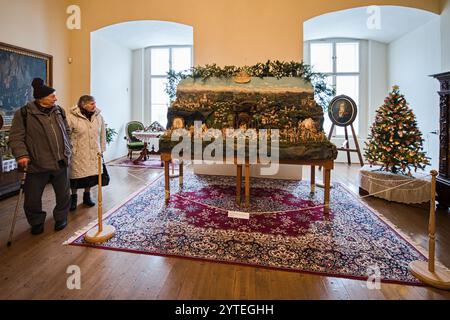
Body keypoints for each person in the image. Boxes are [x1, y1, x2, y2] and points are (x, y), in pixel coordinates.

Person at [8, 78, 72, 235]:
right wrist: (21, 155)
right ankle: (36, 222)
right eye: (52, 96)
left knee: (64, 194)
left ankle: (61, 217)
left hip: (61, 161)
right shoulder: (23, 113)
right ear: (41, 98)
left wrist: (68, 147)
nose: (55, 99)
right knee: (32, 198)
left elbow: (67, 131)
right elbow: (16, 137)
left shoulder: (59, 111)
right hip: (37, 163)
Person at [67, 95, 106, 212]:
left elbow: (102, 134)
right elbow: (66, 134)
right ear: (83, 105)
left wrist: (102, 149)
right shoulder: (71, 117)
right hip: (78, 152)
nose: (95, 105)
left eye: (94, 103)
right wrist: (70, 150)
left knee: (90, 176)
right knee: (76, 177)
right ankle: (73, 198)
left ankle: (87, 196)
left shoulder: (98, 117)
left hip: (94, 151)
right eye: (91, 104)